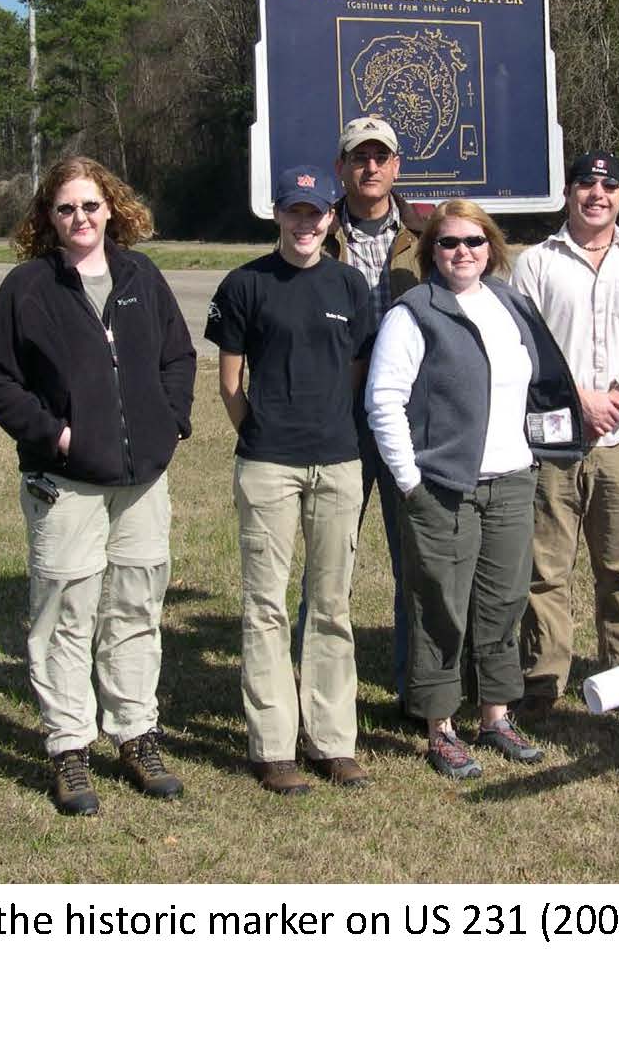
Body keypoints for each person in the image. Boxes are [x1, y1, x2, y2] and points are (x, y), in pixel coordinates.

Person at [0, 156, 195, 816]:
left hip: (141, 481)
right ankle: (70, 747)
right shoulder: (28, 287)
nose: (81, 218)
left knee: (135, 608)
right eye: (66, 207)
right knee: (65, 615)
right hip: (65, 482)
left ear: (111, 209)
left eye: (91, 206)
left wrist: (169, 423)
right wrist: (57, 436)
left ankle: (136, 734)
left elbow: (178, 356)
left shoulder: (141, 276)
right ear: (48, 216)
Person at [364, 200, 586, 779]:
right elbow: (383, 401)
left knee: (503, 601)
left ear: (492, 247)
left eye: (474, 241)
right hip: (443, 487)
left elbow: (540, 383)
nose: (462, 252)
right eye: (448, 242)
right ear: (430, 251)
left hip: (511, 480)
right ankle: (439, 726)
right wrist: (410, 481)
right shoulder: (414, 313)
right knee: (439, 604)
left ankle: (495, 715)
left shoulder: (511, 305)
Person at [207, 166, 377, 796]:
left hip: (337, 462)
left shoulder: (350, 285)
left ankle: (332, 741)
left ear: (331, 217)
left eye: (316, 212)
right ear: (277, 214)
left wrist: (325, 423)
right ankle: (274, 746)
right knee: (266, 605)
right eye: (294, 211)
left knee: (331, 604)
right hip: (268, 465)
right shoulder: (245, 284)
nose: (305, 224)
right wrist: (263, 432)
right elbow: (230, 383)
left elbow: (354, 371)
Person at [510, 150, 619, 722]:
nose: (596, 194)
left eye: (608, 186)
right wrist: (578, 397)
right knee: (545, 569)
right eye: (585, 183)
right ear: (569, 193)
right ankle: (542, 680)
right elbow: (525, 344)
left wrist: (616, 396)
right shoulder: (535, 263)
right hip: (554, 439)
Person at [312, 115, 430, 716]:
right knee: (329, 563)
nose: (371, 166)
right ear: (342, 168)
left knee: (415, 561)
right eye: (359, 157)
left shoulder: (429, 233)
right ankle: (317, 696)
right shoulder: (316, 229)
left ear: (397, 166)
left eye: (381, 156)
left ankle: (417, 691)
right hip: (339, 417)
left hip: (410, 418)